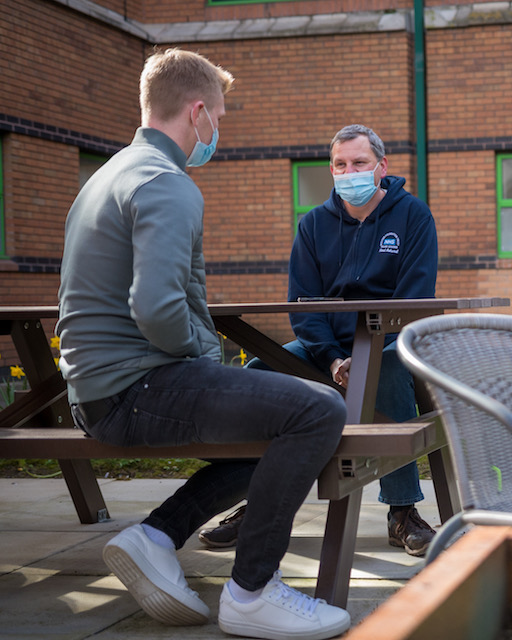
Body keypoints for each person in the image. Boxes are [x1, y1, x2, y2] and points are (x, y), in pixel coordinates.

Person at [56, 48, 351, 640]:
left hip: (94, 392)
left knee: (268, 417)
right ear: (197, 113)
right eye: (219, 114)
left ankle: (157, 535)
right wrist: (204, 356)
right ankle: (252, 592)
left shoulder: (106, 176)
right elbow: (158, 307)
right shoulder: (168, 184)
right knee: (319, 409)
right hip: (134, 388)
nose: (219, 128)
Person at [199, 124, 440, 557]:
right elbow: (303, 305)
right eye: (341, 164)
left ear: (382, 166)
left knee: (384, 373)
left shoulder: (413, 216)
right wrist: (332, 359)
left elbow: (414, 298)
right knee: (261, 376)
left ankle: (402, 512)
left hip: (389, 342)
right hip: (324, 348)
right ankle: (255, 503)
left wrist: (365, 356)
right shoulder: (313, 225)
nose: (350, 171)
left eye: (360, 163)